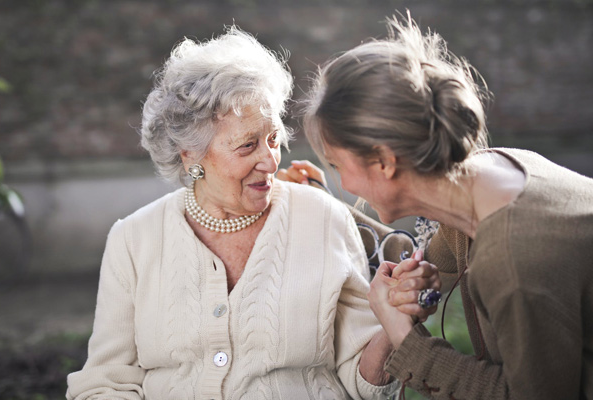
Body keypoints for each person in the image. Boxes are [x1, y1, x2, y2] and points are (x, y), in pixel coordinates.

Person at [66, 27, 441, 400]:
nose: (270, 160)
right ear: (190, 155)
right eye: (247, 146)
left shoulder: (323, 218)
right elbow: (106, 383)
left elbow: (363, 385)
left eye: (274, 139)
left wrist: (395, 318)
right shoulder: (133, 239)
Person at [291, 12, 593, 400]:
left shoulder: (513, 261)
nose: (342, 182)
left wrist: (404, 337)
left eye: (337, 166)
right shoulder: (491, 173)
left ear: (383, 161)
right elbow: (429, 261)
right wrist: (421, 278)